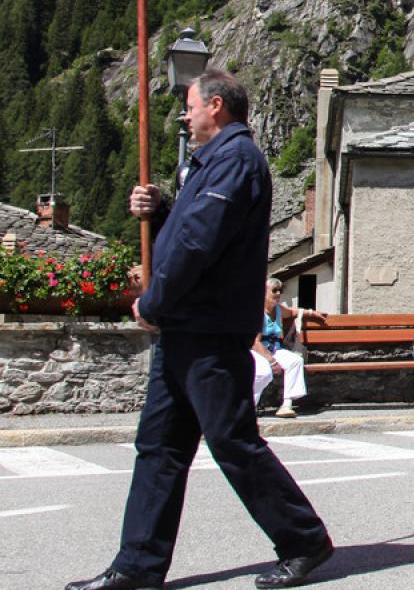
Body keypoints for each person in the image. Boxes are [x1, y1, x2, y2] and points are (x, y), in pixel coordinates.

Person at [65, 71, 333, 590]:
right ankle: (137, 566)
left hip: (208, 328)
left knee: (232, 440)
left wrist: (154, 301)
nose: (184, 116)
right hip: (187, 327)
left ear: (216, 106)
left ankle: (304, 540)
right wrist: (160, 208)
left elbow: (197, 245)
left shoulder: (234, 159)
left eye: (190, 107)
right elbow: (189, 228)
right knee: (159, 446)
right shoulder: (209, 164)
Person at [251, 278, 326, 418]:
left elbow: (292, 312)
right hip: (258, 352)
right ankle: (249, 406)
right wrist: (272, 362)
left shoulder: (278, 309)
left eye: (280, 290)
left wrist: (311, 313)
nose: (278, 293)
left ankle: (286, 405)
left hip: (274, 349)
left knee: (295, 361)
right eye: (274, 290)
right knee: (263, 372)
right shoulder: (257, 313)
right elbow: (255, 342)